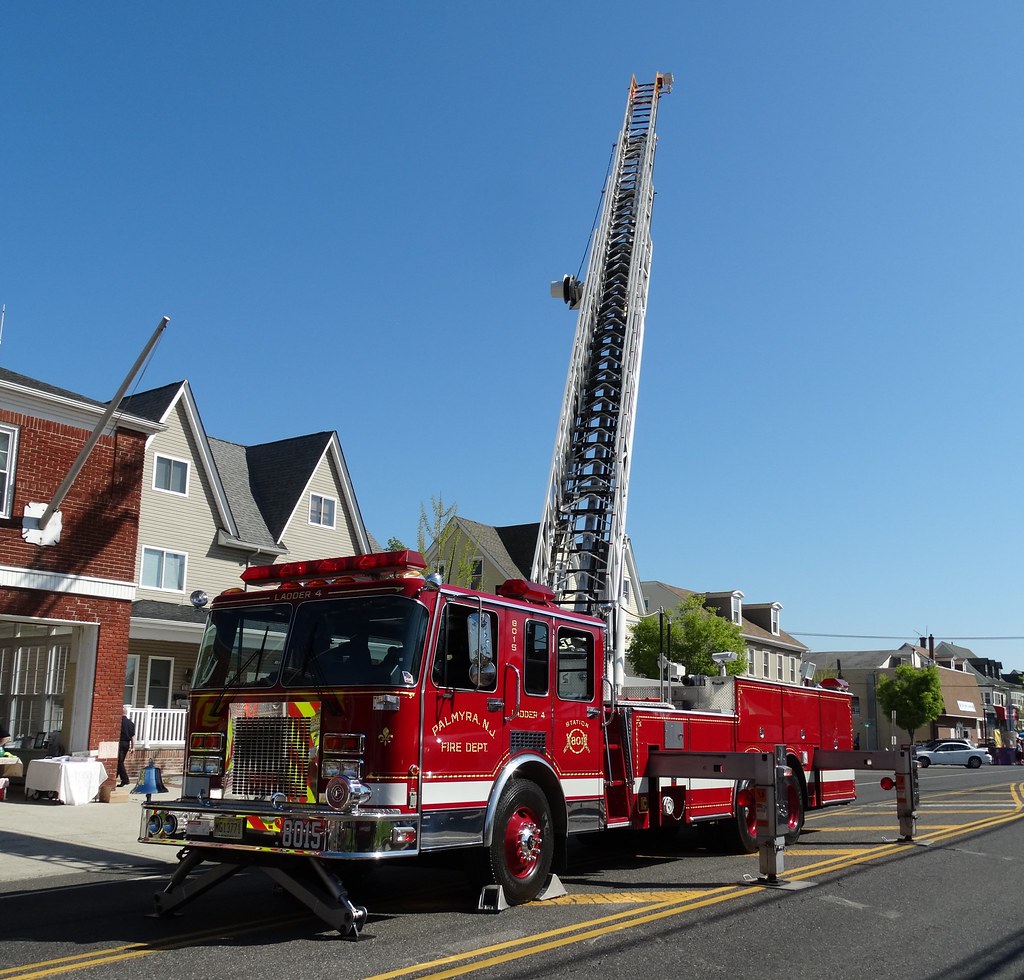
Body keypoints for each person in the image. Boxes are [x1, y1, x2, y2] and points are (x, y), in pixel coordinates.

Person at [117, 705, 135, 787]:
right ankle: (115, 777)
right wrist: (133, 747)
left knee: (119, 762)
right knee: (119, 761)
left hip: (120, 743)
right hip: (127, 744)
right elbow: (132, 736)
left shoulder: (119, 722)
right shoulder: (131, 723)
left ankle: (125, 780)